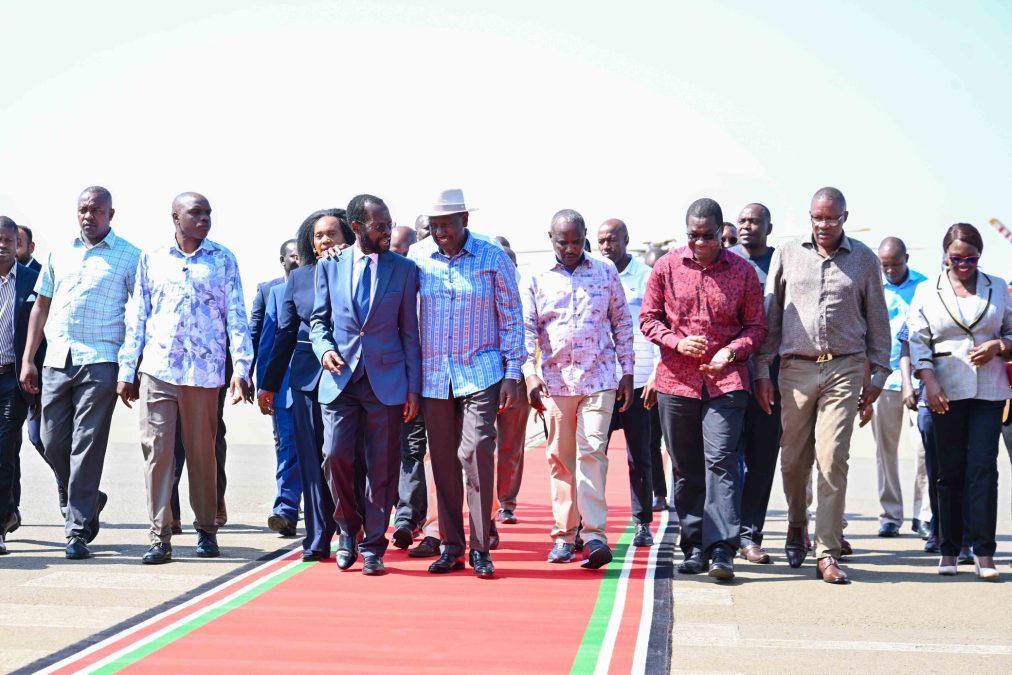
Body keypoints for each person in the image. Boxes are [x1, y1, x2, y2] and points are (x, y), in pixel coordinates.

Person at [754, 187, 891, 584]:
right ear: (809, 217)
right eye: (818, 217)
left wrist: (878, 374)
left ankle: (827, 550)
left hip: (844, 368)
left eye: (832, 218)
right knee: (794, 458)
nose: (824, 225)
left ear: (845, 218)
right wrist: (763, 370)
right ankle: (796, 522)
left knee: (833, 457)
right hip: (795, 368)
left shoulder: (864, 259)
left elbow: (878, 320)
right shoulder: (787, 253)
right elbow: (771, 315)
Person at [117, 192, 252, 565]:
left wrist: (242, 369)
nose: (205, 218)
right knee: (157, 453)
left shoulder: (222, 259)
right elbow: (138, 316)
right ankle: (159, 537)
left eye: (208, 212)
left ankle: (206, 531)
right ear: (175, 217)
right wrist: (127, 369)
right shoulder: (153, 258)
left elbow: (236, 316)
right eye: (196, 212)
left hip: (205, 374)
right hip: (158, 370)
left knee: (202, 454)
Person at [642, 199, 766, 581]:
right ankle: (693, 545)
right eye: (693, 236)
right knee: (686, 467)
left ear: (720, 232)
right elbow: (648, 318)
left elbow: (757, 327)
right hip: (676, 382)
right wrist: (676, 343)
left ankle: (721, 550)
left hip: (726, 382)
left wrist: (731, 351)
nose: (700, 243)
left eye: (707, 236)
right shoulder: (666, 267)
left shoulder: (743, 272)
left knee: (722, 462)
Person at [408, 188, 525, 579]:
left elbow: (511, 316)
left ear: (466, 221)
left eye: (448, 225)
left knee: (475, 453)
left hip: (482, 371)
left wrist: (512, 374)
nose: (440, 232)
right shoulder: (419, 257)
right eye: (435, 225)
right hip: (434, 375)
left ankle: (480, 547)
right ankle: (451, 546)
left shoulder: (492, 257)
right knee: (441, 461)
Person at [21, 186, 141, 560]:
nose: (88, 216)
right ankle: (90, 498)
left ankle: (76, 532)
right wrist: (29, 359)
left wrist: (130, 366)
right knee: (49, 439)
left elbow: (142, 311)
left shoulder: (130, 257)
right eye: (82, 210)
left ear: (111, 214)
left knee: (87, 446)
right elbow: (41, 306)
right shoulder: (60, 252)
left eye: (95, 210)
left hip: (102, 360)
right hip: (56, 359)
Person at [307, 195, 421, 576]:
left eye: (388, 224)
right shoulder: (330, 267)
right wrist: (323, 350)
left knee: (383, 467)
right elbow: (319, 322)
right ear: (357, 228)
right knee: (335, 457)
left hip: (386, 382)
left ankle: (373, 545)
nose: (387, 231)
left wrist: (413, 389)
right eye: (379, 226)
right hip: (339, 381)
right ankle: (347, 531)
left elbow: (410, 333)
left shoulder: (403, 270)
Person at [525, 209, 633, 569]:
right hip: (556, 384)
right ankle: (563, 534)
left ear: (585, 235)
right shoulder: (537, 279)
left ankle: (595, 535)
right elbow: (526, 330)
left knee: (592, 454)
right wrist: (529, 373)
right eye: (562, 241)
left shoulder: (605, 272)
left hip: (599, 379)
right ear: (550, 239)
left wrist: (628, 370)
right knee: (560, 459)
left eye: (576, 240)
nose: (570, 248)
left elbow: (621, 321)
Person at [907, 222, 1011, 581]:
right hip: (944, 390)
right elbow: (918, 342)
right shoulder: (926, 291)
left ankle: (984, 552)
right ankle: (949, 549)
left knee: (984, 469)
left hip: (989, 390)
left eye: (971, 259)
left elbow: (1011, 331)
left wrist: (1000, 345)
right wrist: (929, 381)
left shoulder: (997, 286)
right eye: (957, 259)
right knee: (947, 472)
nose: (964, 265)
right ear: (945, 256)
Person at [258, 208, 351, 561]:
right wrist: (267, 384)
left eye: (332, 234)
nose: (325, 240)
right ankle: (316, 537)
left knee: (341, 458)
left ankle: (350, 532)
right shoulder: (297, 280)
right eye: (318, 236)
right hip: (307, 379)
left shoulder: (361, 271)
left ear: (348, 237)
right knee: (312, 461)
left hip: (351, 379)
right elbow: (283, 335)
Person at [596, 217, 657, 547]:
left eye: (613, 240)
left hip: (638, 380)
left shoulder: (645, 278)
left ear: (626, 240)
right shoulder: (593, 273)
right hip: (601, 381)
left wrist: (657, 374)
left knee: (639, 456)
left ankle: (642, 522)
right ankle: (590, 525)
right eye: (602, 241)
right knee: (595, 454)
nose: (607, 246)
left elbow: (658, 326)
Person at [729, 202, 780, 564]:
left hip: (771, 375)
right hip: (728, 373)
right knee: (725, 458)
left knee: (762, 457)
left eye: (755, 221)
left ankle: (751, 535)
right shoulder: (726, 259)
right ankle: (725, 532)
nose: (747, 226)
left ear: (769, 227)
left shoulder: (782, 263)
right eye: (742, 220)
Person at [870, 237, 930, 538]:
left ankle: (924, 515)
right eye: (885, 265)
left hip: (918, 380)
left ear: (907, 258)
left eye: (896, 264)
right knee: (885, 452)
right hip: (882, 379)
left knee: (924, 449)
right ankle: (890, 515)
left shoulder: (924, 287)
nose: (891, 270)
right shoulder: (874, 286)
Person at [250, 238, 301, 536]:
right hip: (285, 387)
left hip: (324, 388)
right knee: (288, 449)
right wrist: (263, 385)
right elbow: (266, 342)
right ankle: (285, 510)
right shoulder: (275, 293)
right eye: (291, 255)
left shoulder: (328, 287)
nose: (296, 259)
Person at [0, 217, 46, 554]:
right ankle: (10, 511)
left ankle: (0, 525)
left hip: (13, 379)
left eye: (9, 240)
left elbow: (44, 334)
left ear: (20, 243)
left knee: (3, 452)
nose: (3, 245)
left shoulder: (35, 281)